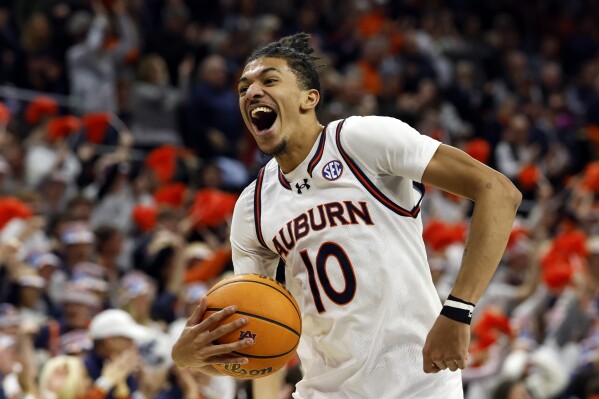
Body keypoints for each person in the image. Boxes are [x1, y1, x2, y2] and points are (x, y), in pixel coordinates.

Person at [172, 33, 522, 398]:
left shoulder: (359, 140)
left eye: (269, 80)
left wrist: (459, 310)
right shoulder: (253, 205)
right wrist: (187, 357)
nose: (251, 92)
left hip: (419, 383)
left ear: (310, 99)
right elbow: (257, 331)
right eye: (244, 87)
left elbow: (498, 192)